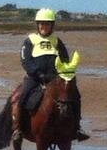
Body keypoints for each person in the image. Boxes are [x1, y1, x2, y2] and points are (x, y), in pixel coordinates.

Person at [13, 8, 89, 142]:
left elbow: (65, 60)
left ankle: (77, 128)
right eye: (41, 24)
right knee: (22, 95)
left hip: (55, 80)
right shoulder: (30, 40)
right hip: (35, 78)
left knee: (75, 95)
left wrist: (63, 75)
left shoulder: (57, 41)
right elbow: (26, 61)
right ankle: (18, 129)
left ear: (52, 25)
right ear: (37, 25)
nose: (44, 26)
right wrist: (38, 74)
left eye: (47, 24)